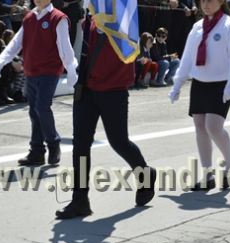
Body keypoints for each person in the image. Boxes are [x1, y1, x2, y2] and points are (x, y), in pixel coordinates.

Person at [55, 15, 157, 219]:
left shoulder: (126, 20)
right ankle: (80, 199)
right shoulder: (90, 19)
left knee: (119, 141)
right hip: (87, 89)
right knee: (80, 145)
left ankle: (144, 173)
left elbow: (130, 50)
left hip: (114, 90)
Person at [169, 0, 230, 190]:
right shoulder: (197, 27)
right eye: (202, 0)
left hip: (221, 84)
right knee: (200, 127)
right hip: (200, 83)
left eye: (210, 0)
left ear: (221, 0)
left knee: (214, 127)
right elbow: (187, 57)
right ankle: (207, 174)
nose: (205, 4)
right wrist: (178, 83)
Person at [0, 0, 77, 166]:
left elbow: (65, 47)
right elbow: (17, 42)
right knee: (34, 111)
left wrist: (71, 69)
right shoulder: (29, 17)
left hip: (49, 71)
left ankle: (54, 143)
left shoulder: (58, 18)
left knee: (42, 107)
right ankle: (37, 151)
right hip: (31, 70)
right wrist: (3, 59)